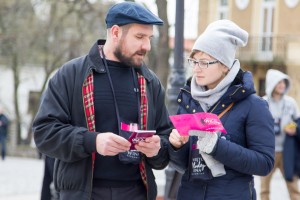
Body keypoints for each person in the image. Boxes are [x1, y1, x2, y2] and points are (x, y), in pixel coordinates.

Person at [32, 2, 172, 200]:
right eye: (139, 37)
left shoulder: (151, 82)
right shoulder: (70, 75)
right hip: (83, 194)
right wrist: (92, 141)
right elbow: (44, 133)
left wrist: (157, 149)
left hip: (137, 193)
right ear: (115, 32)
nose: (146, 46)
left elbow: (164, 144)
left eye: (149, 38)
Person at [168, 19, 275, 200]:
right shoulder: (189, 101)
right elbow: (182, 165)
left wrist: (217, 146)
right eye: (193, 61)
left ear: (224, 65)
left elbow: (264, 163)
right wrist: (177, 146)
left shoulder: (253, 105)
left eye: (204, 62)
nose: (196, 69)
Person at [260, 69, 300, 200]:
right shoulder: (262, 103)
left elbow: (298, 123)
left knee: (293, 186)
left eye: (284, 82)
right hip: (267, 152)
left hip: (287, 152)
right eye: (279, 83)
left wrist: (295, 129)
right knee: (264, 188)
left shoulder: (291, 103)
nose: (282, 85)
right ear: (272, 84)